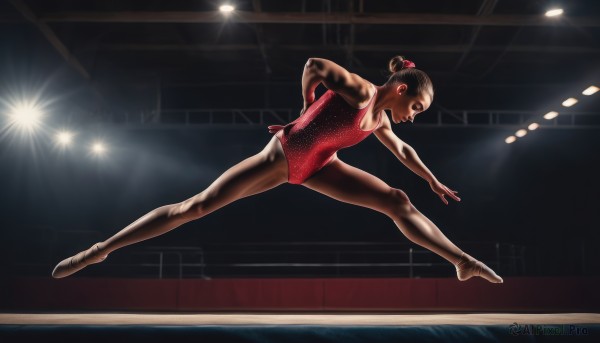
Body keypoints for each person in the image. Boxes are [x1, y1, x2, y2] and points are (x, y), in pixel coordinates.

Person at [52, 56, 503, 283]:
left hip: (322, 165)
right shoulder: (362, 92)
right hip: (283, 155)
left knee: (397, 200)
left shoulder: (381, 119)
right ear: (401, 88)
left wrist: (431, 180)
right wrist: (305, 107)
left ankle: (461, 260)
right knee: (197, 206)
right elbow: (314, 65)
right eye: (417, 106)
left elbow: (402, 151)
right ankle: (102, 249)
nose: (414, 116)